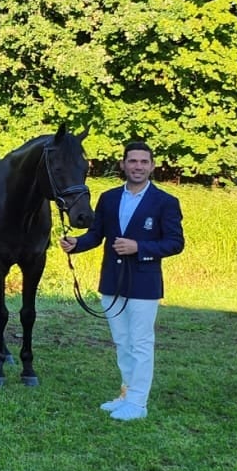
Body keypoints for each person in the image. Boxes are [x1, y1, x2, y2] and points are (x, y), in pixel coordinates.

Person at [60, 140, 184, 421]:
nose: (138, 167)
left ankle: (138, 404)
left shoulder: (165, 202)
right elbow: (96, 234)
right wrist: (75, 243)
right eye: (132, 161)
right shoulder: (110, 198)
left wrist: (139, 247)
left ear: (152, 166)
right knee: (122, 341)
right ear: (123, 164)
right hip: (113, 281)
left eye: (143, 162)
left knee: (140, 343)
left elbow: (175, 243)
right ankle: (127, 393)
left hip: (144, 283)